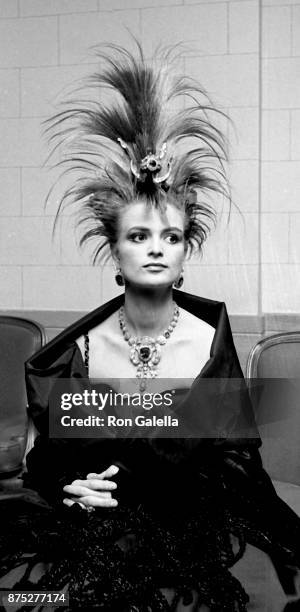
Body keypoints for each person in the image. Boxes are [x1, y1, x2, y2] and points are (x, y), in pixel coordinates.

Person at [1, 42, 300, 612]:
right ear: (114, 251)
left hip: (193, 526)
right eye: (139, 236)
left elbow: (236, 461)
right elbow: (48, 456)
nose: (156, 250)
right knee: (36, 600)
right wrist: (72, 487)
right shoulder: (80, 350)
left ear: (187, 252)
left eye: (171, 237)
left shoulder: (208, 341)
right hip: (96, 526)